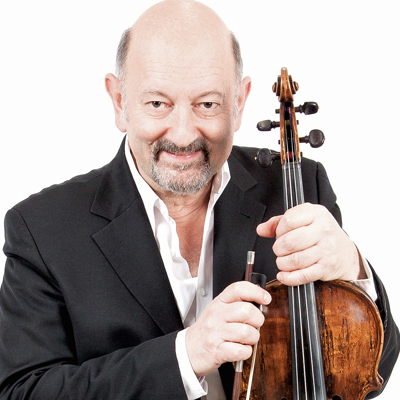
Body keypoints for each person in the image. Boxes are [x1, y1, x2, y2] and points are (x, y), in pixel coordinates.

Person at [0, 0, 398, 399]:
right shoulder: (42, 230)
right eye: (158, 104)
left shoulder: (298, 187)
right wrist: (186, 355)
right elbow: (22, 391)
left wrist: (353, 266)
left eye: (207, 104)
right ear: (119, 101)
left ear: (239, 103)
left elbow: (369, 374)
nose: (183, 134)